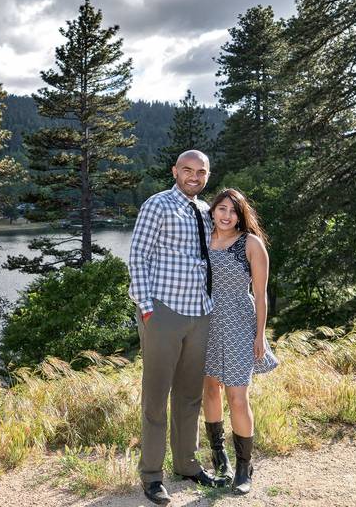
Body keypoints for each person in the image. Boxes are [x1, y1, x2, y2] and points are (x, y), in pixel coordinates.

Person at [129, 150, 227, 506]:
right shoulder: (158, 205)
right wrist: (147, 307)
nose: (194, 176)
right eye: (187, 170)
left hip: (200, 313)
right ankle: (152, 476)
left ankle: (187, 463)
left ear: (207, 175)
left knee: (189, 395)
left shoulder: (205, 211)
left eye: (201, 172)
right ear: (175, 171)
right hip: (164, 312)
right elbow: (138, 254)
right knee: (156, 396)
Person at [201, 188, 278, 495]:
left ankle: (244, 467)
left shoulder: (251, 244)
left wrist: (260, 335)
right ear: (213, 211)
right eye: (221, 208)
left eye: (233, 211)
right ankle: (220, 460)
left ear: (241, 215)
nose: (226, 215)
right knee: (209, 389)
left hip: (238, 324)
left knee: (236, 396)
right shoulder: (202, 240)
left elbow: (260, 295)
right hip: (205, 321)